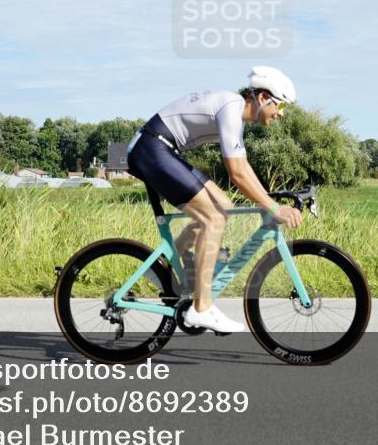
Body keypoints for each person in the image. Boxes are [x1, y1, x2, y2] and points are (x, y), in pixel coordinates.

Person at [126, 66, 303, 334]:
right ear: (263, 97)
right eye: (280, 106)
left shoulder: (234, 112)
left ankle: (166, 268)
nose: (281, 113)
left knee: (224, 207)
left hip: (160, 148)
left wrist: (269, 199)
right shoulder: (231, 109)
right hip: (152, 149)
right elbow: (236, 174)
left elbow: (243, 167)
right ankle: (201, 308)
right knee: (213, 218)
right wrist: (274, 208)